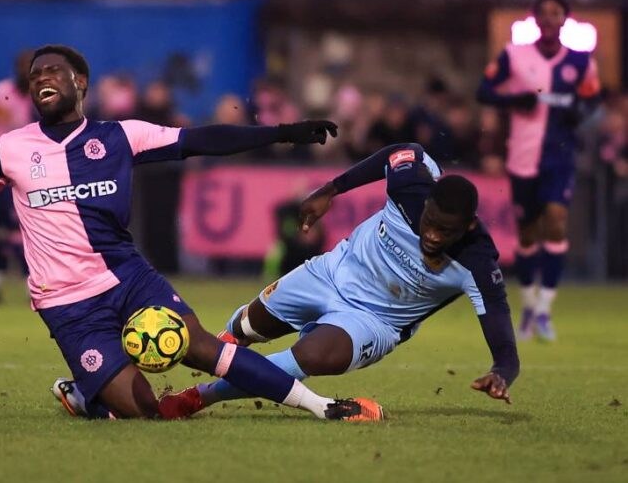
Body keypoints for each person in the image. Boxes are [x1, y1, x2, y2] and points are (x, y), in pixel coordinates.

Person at [0, 44, 384, 422]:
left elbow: (201, 140)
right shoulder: (11, 148)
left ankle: (319, 406)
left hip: (128, 275)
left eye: (52, 71)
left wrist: (284, 133)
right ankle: (89, 394)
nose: (41, 80)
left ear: (80, 84)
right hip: (67, 303)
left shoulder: (121, 136)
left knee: (201, 346)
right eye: (33, 77)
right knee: (145, 413)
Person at [159, 143, 520, 419]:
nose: (434, 236)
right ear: (426, 202)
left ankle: (199, 396)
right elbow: (399, 151)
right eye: (430, 222)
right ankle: (222, 347)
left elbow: (504, 342)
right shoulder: (411, 185)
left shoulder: (477, 262)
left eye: (447, 231)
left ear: (470, 226)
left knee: (309, 356)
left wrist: (501, 372)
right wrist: (331, 190)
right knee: (247, 325)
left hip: (373, 322)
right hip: (332, 271)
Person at [476, 0, 601, 341]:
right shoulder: (515, 56)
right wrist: (514, 99)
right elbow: (484, 91)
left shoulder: (580, 61)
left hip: (559, 156)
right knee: (528, 234)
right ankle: (529, 305)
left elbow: (592, 98)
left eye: (556, 13)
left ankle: (546, 309)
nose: (549, 19)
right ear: (535, 20)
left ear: (564, 19)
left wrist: (581, 111)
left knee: (557, 222)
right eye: (543, 13)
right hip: (522, 156)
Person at [0, 50, 38, 303]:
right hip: (1, 166)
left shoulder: (38, 97)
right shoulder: (0, 91)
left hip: (30, 168)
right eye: (23, 66)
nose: (27, 71)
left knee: (16, 228)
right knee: (15, 225)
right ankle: (30, 283)